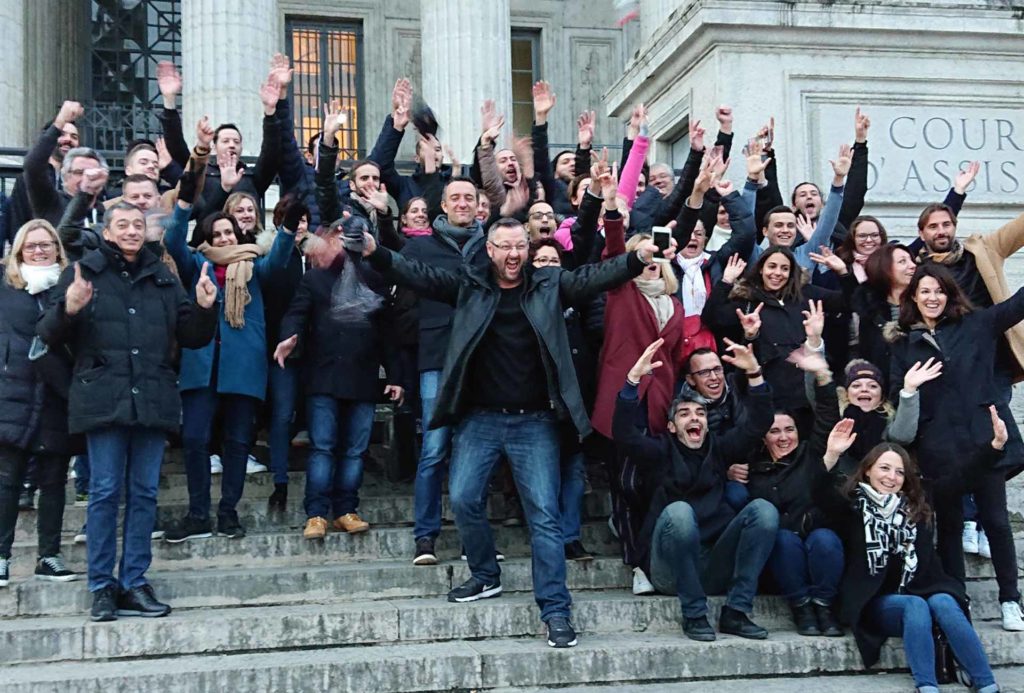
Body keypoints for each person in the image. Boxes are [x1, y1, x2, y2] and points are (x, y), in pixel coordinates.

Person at [358, 215, 664, 649]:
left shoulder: (548, 285)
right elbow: (419, 276)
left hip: (535, 420)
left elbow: (593, 276)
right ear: (490, 250)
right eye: (504, 247)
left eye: (520, 246)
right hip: (480, 418)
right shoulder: (470, 286)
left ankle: (556, 610)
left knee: (544, 515)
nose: (514, 255)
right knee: (463, 498)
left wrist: (634, 260)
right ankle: (485, 575)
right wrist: (377, 253)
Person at [37, 201, 217, 621]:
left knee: (144, 494)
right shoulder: (84, 272)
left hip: (152, 397)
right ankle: (102, 586)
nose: (133, 231)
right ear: (108, 231)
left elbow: (191, 336)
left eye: (139, 224)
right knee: (103, 493)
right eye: (123, 225)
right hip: (104, 399)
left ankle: (134, 581)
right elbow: (46, 333)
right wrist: (71, 307)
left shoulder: (163, 277)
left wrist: (206, 307)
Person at [612, 338, 778, 642]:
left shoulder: (719, 448)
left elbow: (758, 423)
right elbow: (624, 434)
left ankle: (736, 612)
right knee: (679, 513)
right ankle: (694, 614)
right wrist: (633, 381)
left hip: (712, 564)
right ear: (673, 427)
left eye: (700, 414)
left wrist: (755, 374)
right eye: (685, 413)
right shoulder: (659, 451)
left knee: (763, 511)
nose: (695, 418)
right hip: (669, 570)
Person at [160, 174, 296, 543]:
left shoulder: (254, 267)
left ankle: (228, 513)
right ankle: (198, 513)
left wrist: (287, 227)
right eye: (217, 234)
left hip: (243, 369)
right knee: (195, 439)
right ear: (208, 239)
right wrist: (184, 204)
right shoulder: (196, 265)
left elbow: (282, 257)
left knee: (238, 443)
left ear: (240, 236)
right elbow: (173, 239)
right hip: (201, 367)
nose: (224, 239)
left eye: (229, 233)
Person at [888, 263, 1024, 631]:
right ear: (913, 296)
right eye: (925, 291)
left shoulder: (976, 325)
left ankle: (1011, 599)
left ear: (948, 295)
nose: (932, 298)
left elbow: (1017, 305)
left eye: (939, 291)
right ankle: (958, 601)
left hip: (984, 442)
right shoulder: (903, 346)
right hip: (938, 451)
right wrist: (909, 386)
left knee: (996, 522)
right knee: (949, 529)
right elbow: (894, 399)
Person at [820, 433, 1002, 693]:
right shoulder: (851, 505)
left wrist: (994, 446)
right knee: (915, 605)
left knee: (945, 600)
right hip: (877, 599)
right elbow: (818, 493)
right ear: (868, 470)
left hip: (926, 586)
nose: (891, 477)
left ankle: (986, 684)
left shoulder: (919, 502)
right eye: (884, 468)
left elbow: (961, 479)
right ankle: (927, 686)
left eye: (899, 472)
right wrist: (832, 455)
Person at [276, 215, 404, 540]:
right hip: (323, 377)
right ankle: (316, 513)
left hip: (362, 378)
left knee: (356, 449)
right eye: (341, 236)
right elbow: (295, 314)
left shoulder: (375, 279)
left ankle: (346, 509)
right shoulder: (315, 280)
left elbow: (388, 333)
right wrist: (289, 336)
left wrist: (396, 375)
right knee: (323, 447)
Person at [400, 177, 487, 567]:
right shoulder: (419, 247)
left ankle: (474, 541)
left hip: (483, 361)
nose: (464, 203)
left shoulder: (491, 246)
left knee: (476, 453)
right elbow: (404, 303)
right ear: (444, 206)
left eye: (470, 197)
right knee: (434, 451)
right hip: (436, 356)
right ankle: (426, 537)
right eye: (456, 198)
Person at [745, 333, 844, 637]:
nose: (784, 436)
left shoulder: (810, 455)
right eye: (775, 431)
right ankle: (802, 608)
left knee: (825, 538)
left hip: (818, 547)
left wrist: (822, 374)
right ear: (764, 437)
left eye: (789, 429)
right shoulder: (753, 470)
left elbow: (827, 417)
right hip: (782, 561)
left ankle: (824, 607)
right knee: (785, 541)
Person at [0, 221, 79, 587]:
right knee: (7, 481)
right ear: (18, 251)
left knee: (53, 481)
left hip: (55, 393)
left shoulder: (69, 288)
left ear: (57, 250)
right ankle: (1, 557)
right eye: (31, 246)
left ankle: (48, 555)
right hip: (11, 394)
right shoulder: (5, 287)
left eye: (46, 245)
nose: (39, 251)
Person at [702, 246, 845, 432]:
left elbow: (847, 302)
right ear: (761, 268)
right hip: (766, 397)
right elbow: (712, 318)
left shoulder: (805, 295)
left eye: (784, 268)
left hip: (804, 399)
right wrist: (726, 281)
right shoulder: (747, 300)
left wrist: (843, 272)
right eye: (772, 266)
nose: (777, 273)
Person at [23, 101, 107, 227]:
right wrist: (60, 121)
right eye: (79, 172)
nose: (86, 178)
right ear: (65, 177)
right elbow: (33, 166)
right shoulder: (52, 203)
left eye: (93, 173)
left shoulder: (109, 215)